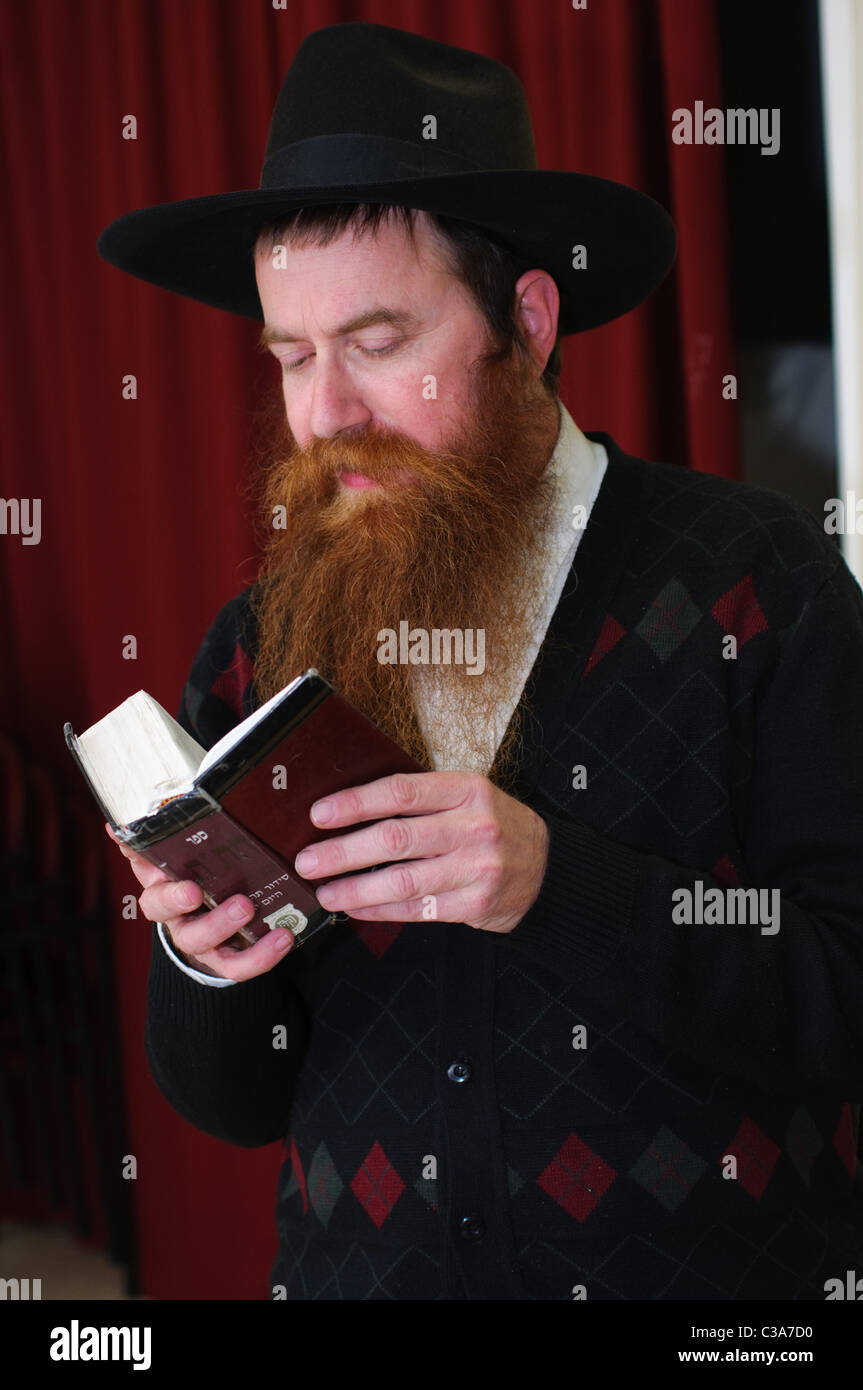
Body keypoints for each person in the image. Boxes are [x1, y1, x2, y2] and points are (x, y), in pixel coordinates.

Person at [99, 22, 863, 1300]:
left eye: (379, 342)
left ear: (526, 318)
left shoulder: (752, 579)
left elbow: (845, 990)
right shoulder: (258, 644)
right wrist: (203, 959)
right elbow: (230, 1103)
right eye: (292, 356)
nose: (325, 410)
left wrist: (554, 884)